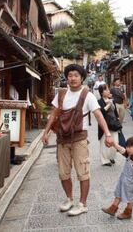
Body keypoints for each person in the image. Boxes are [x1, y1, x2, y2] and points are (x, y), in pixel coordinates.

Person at [42, 64, 114, 217]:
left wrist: (107, 133)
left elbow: (98, 115)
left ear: (82, 78)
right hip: (62, 138)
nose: (73, 78)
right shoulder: (61, 94)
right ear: (66, 78)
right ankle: (69, 199)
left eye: (76, 75)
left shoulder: (87, 95)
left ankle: (83, 204)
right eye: (70, 75)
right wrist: (46, 132)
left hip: (79, 138)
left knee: (83, 172)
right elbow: (53, 114)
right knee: (63, 173)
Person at [101, 136, 133, 220]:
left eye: (129, 147)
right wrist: (113, 144)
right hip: (123, 179)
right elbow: (121, 149)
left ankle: (128, 212)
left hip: (130, 184)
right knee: (118, 193)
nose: (127, 148)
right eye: (127, 146)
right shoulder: (130, 155)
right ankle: (112, 209)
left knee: (129, 198)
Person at [98, 84, 119, 166]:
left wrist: (117, 119)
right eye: (106, 90)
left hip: (113, 124)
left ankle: (111, 157)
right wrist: (109, 104)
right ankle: (105, 160)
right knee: (104, 142)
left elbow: (115, 112)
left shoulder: (112, 100)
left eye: (108, 90)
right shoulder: (99, 101)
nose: (108, 91)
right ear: (101, 92)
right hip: (104, 124)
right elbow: (102, 112)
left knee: (115, 141)